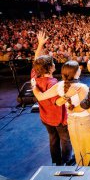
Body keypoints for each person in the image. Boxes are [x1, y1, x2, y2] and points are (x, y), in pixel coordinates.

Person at [32, 60, 90, 167]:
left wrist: (34, 86)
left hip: (71, 122)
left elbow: (44, 98)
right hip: (85, 122)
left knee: (78, 150)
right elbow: (85, 109)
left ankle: (82, 175)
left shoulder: (59, 85)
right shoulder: (82, 88)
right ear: (76, 73)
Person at [31, 31, 73, 166]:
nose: (55, 64)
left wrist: (40, 45)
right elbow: (57, 102)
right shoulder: (53, 84)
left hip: (45, 117)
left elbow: (36, 59)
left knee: (52, 138)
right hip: (58, 119)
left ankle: (56, 160)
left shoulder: (35, 76)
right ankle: (66, 160)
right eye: (53, 63)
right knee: (65, 140)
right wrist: (68, 96)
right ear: (50, 68)